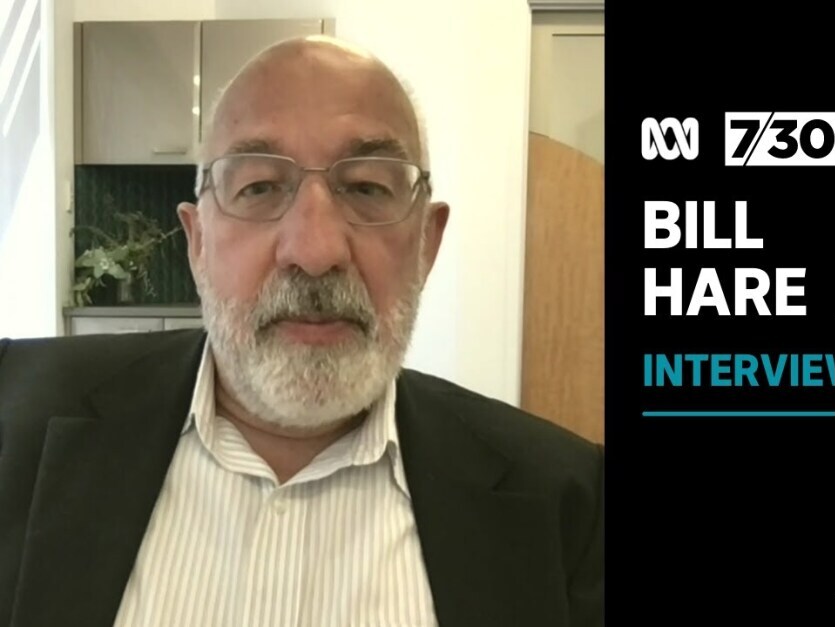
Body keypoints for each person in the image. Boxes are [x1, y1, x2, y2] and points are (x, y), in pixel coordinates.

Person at [0, 36, 603, 627]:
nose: (314, 252)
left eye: (366, 188)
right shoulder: (13, 418)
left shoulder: (570, 505)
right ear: (198, 242)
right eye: (259, 187)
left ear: (427, 242)